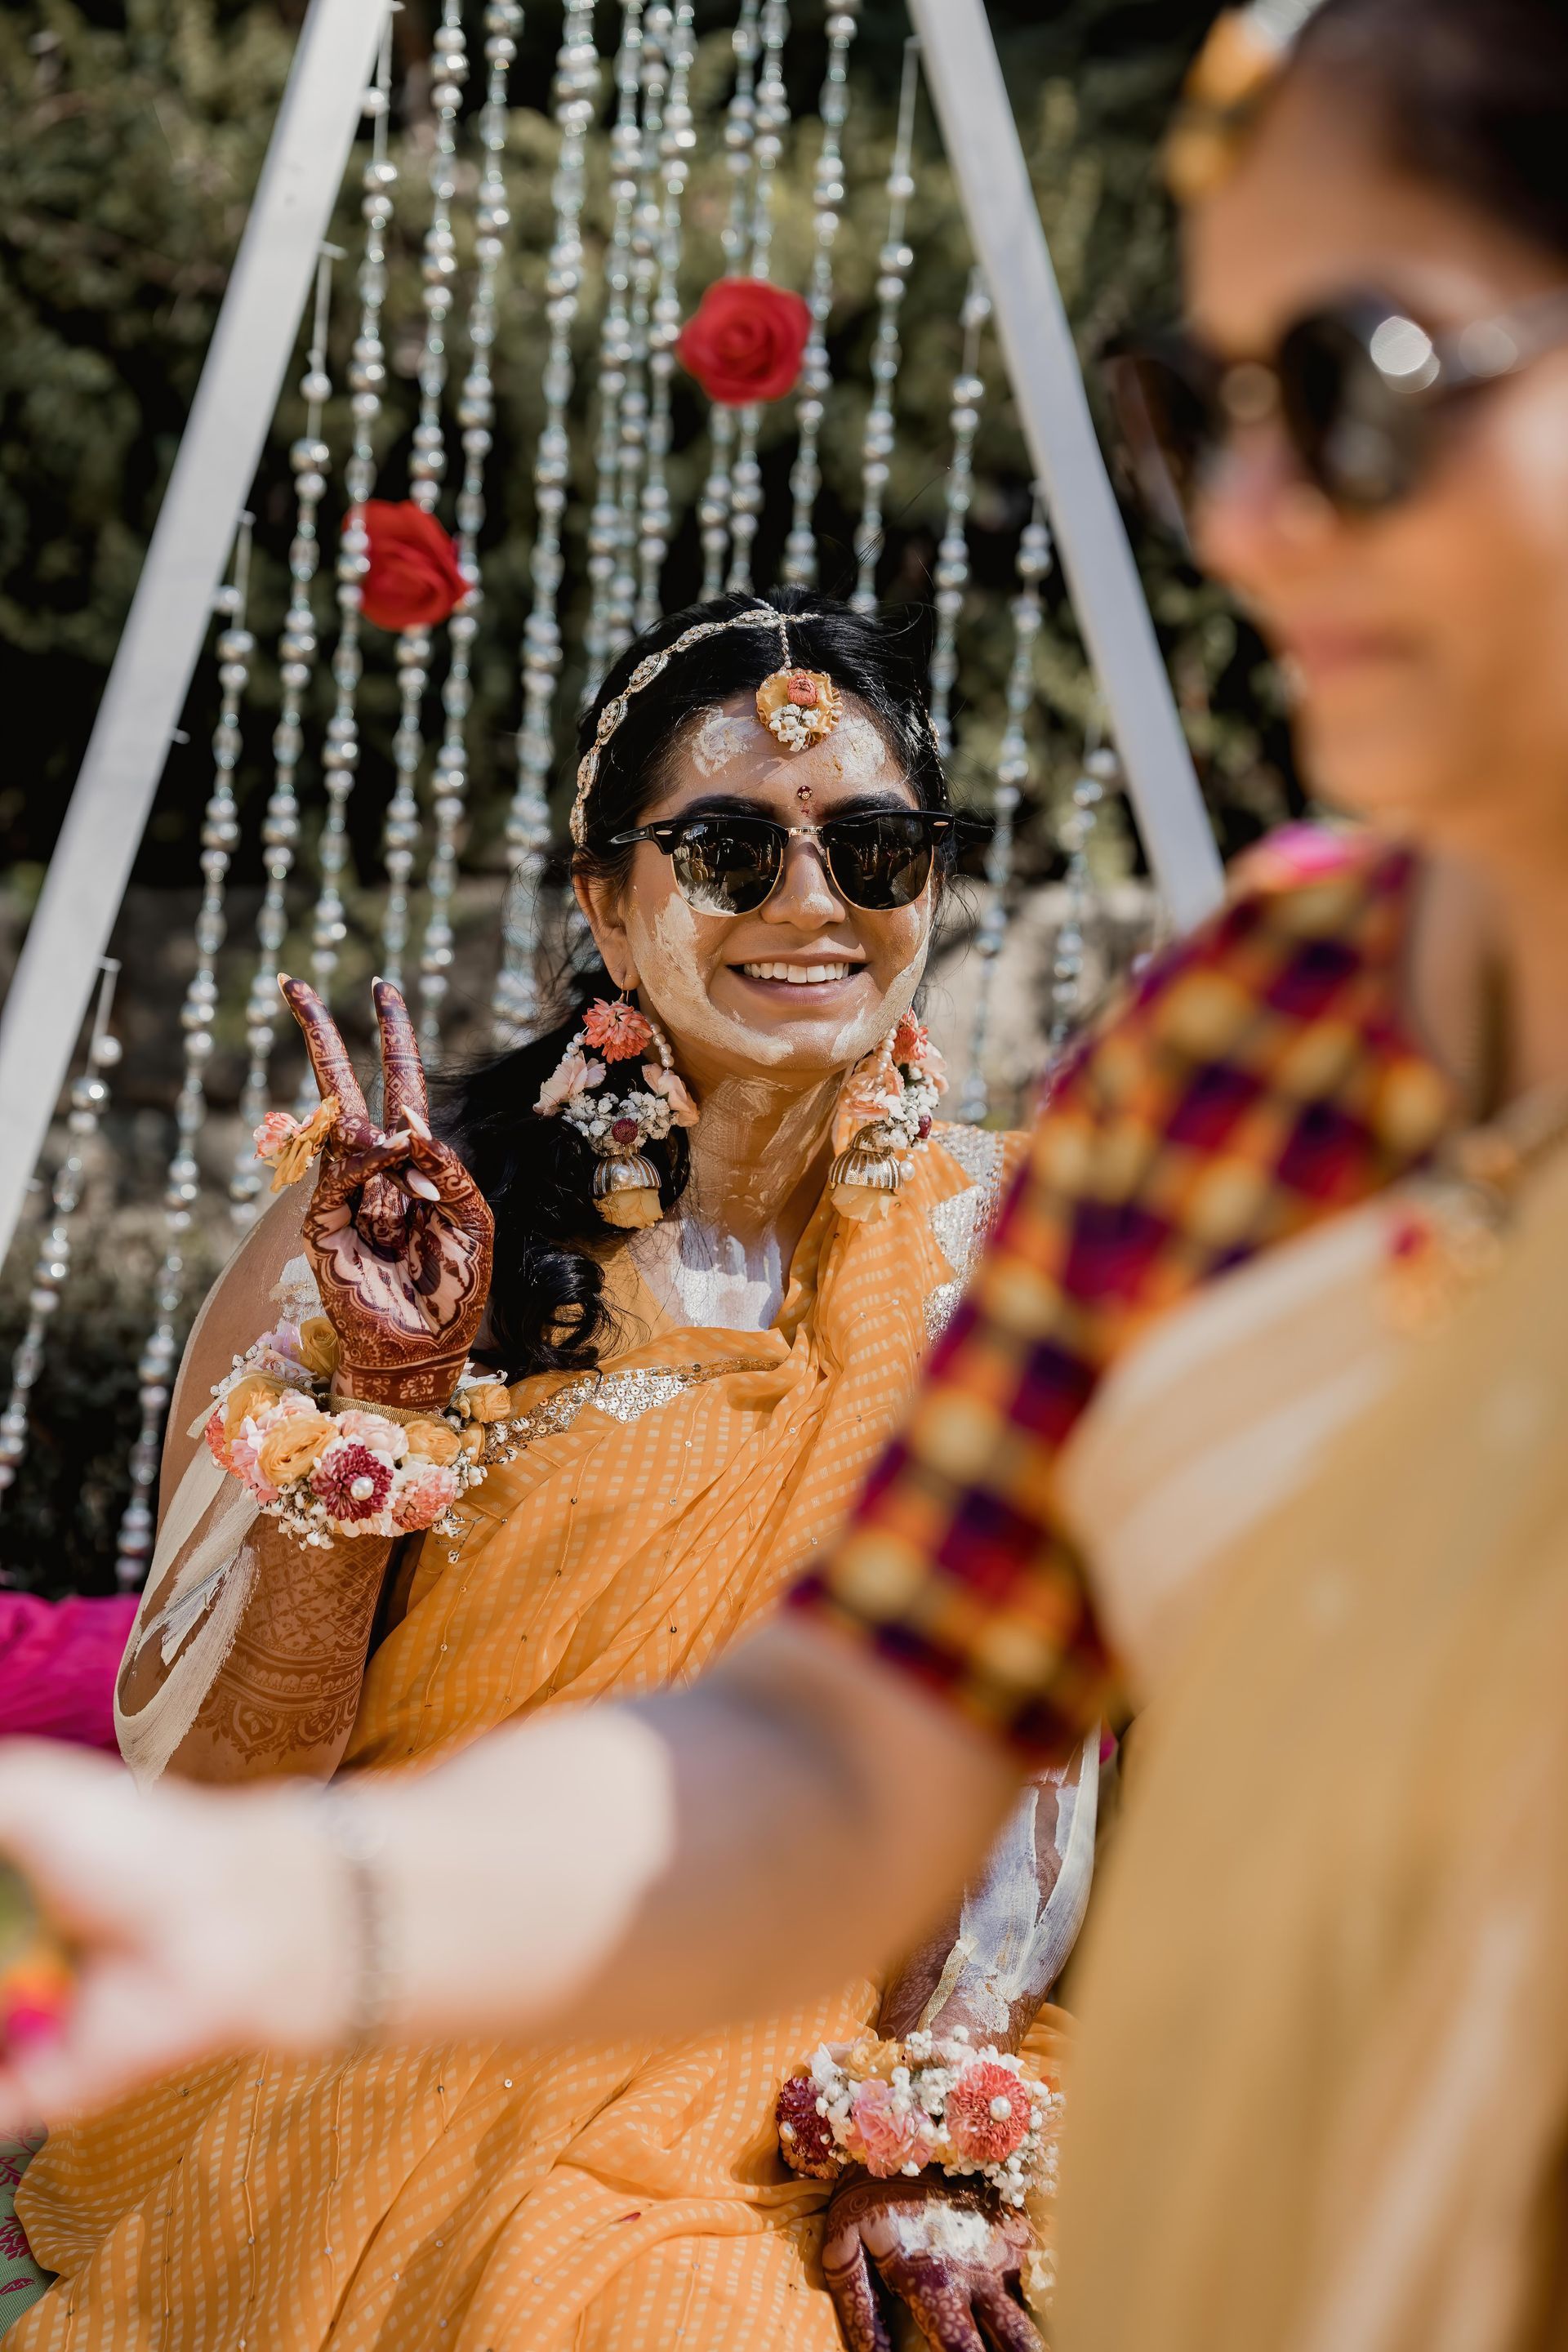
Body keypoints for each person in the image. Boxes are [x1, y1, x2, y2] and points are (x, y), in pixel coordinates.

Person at [4, 0, 1568, 2335]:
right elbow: (859, 1752)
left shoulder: (999, 1196)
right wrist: (307, 1897)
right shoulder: (1230, 1061)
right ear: (602, 897)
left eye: (1352, 380)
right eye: (1198, 414)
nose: (1248, 515)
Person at [0, 590, 1099, 2352]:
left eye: (875, 848)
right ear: (605, 899)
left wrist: (933, 2126)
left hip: (841, 2053)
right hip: (436, 2030)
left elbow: (1048, 1747)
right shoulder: (389, 1237)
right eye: (731, 849)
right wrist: (393, 1396)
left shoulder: (1014, 1245)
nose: (812, 903)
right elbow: (215, 1799)